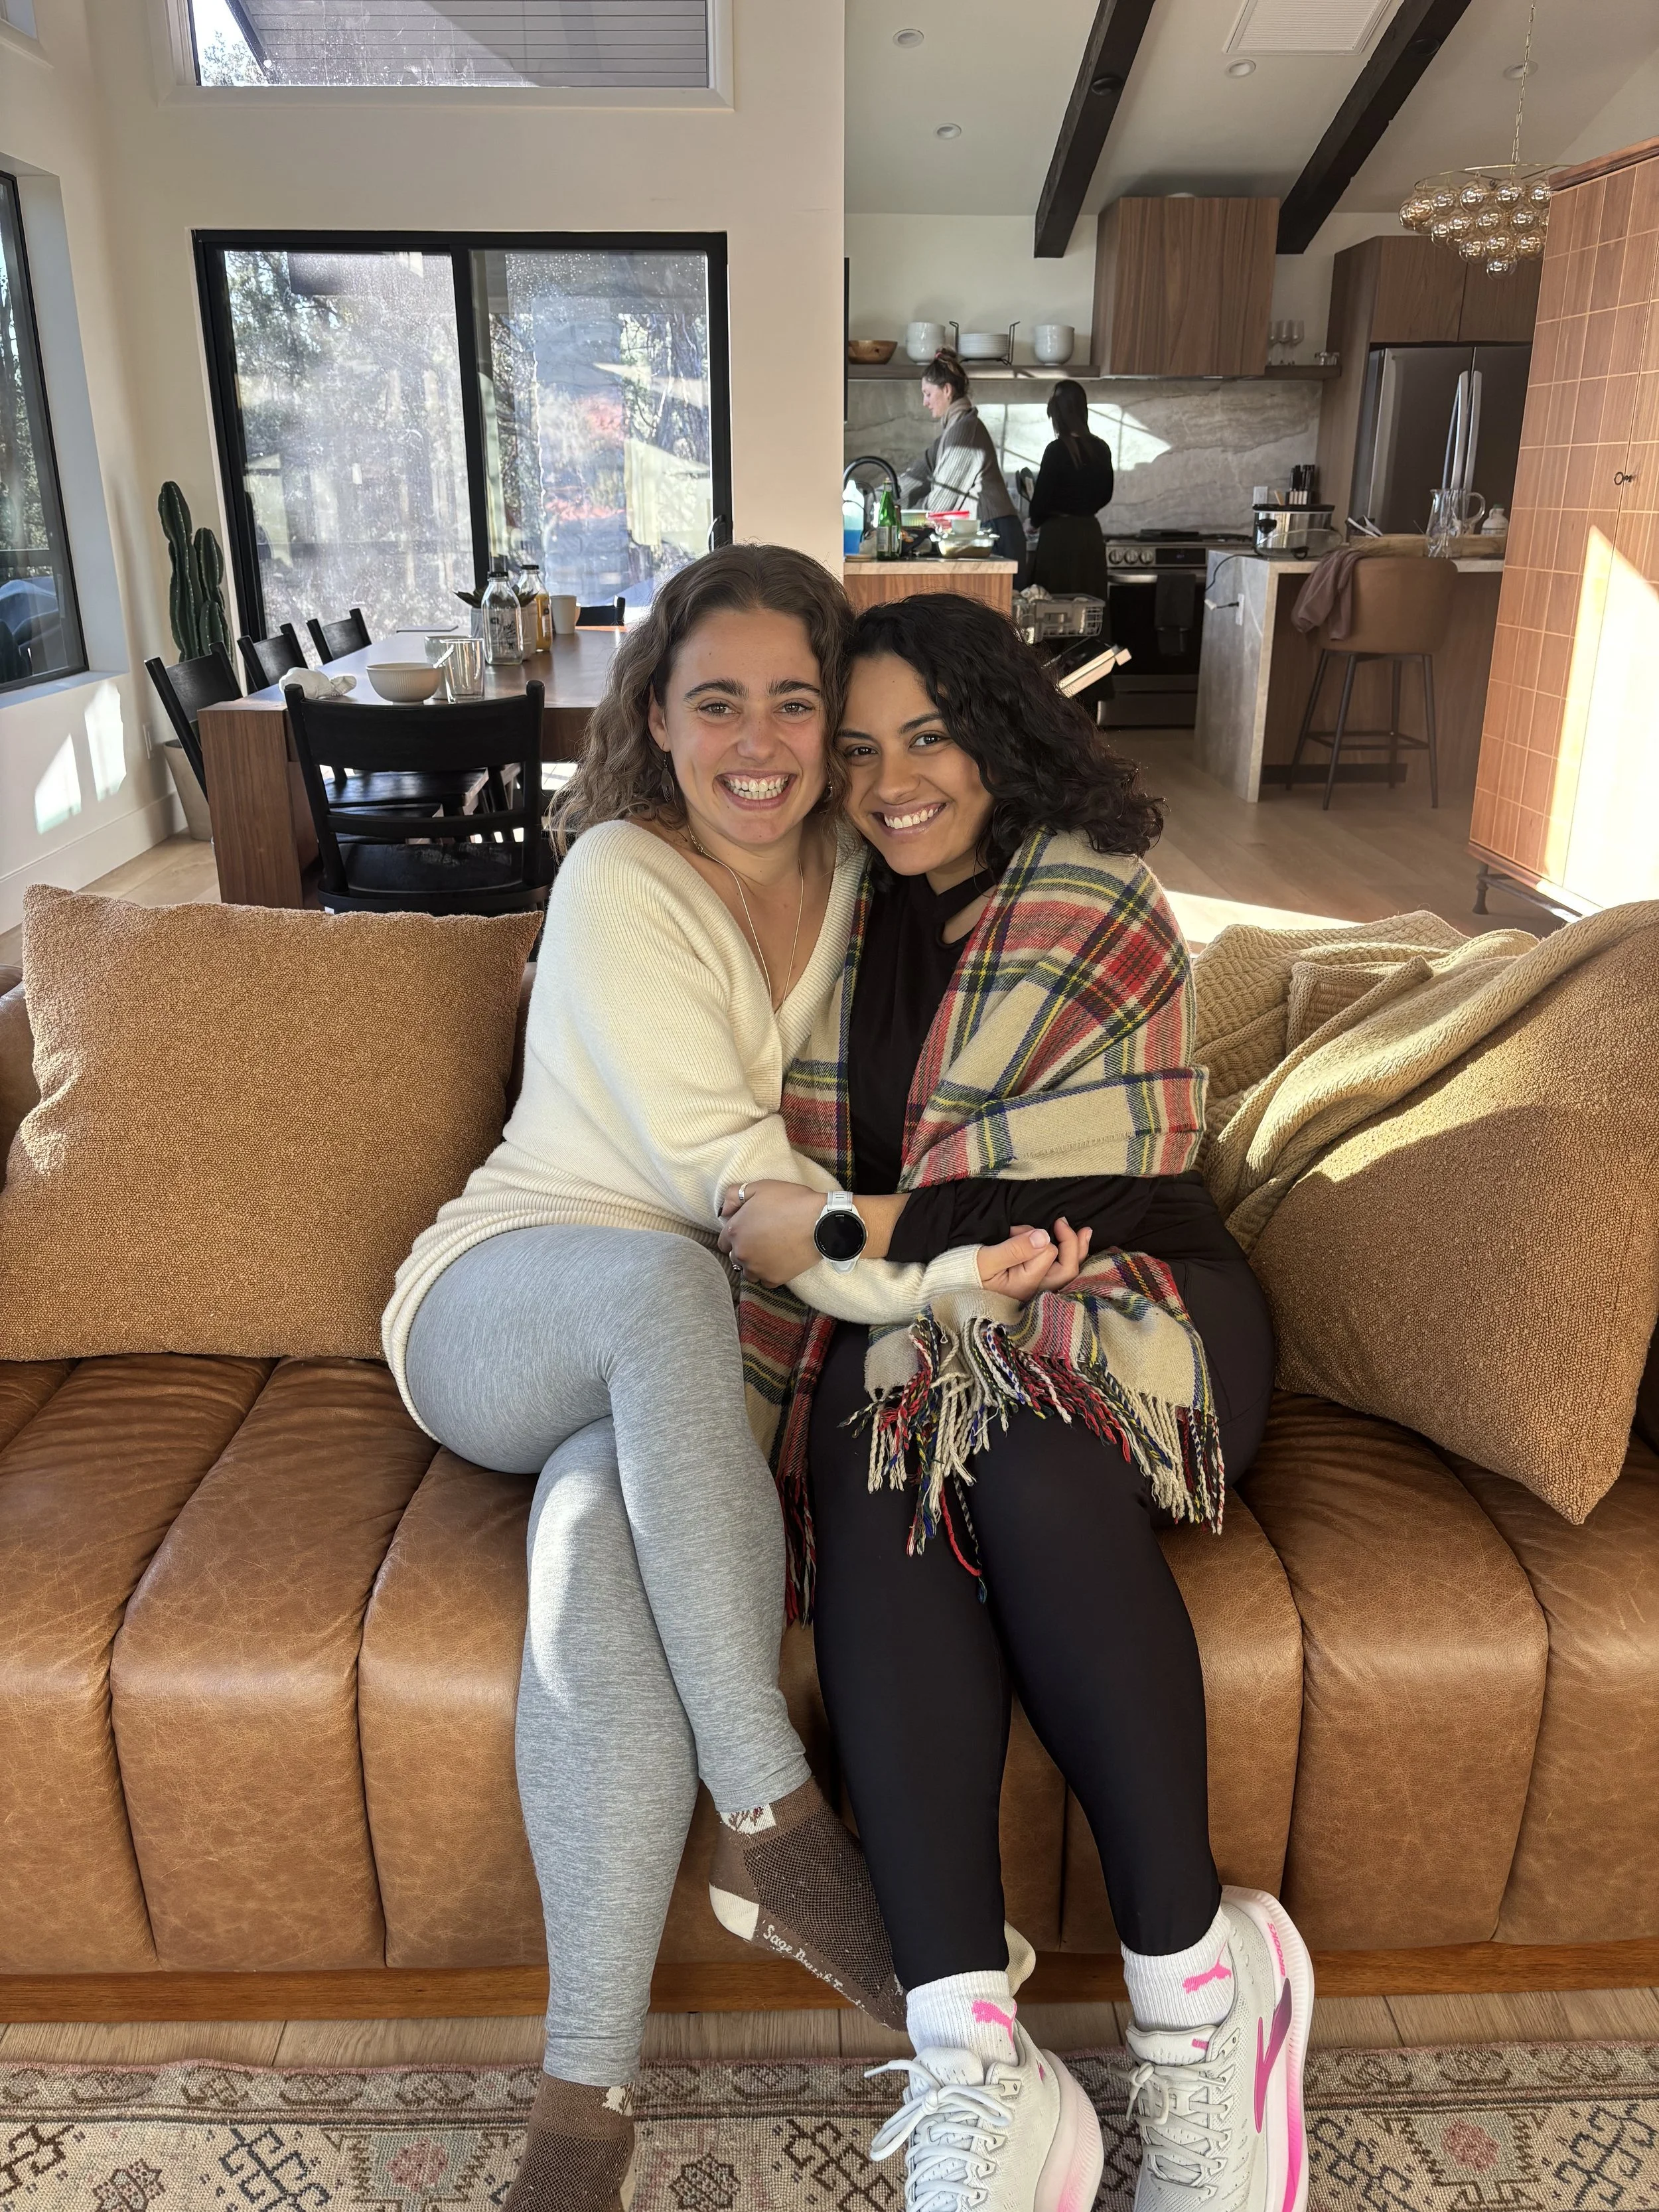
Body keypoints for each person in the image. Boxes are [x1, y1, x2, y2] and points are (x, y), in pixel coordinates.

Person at [381, 548, 1046, 2212]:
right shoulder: (623, 869)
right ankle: (778, 1819)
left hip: (671, 1370)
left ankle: (579, 2112)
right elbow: (738, 1186)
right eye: (717, 702)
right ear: (659, 720)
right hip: (503, 1301)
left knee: (592, 1554)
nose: (759, 741)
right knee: (668, 1278)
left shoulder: (854, 868)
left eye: (795, 703)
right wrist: (943, 1272)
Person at [721, 593, 1307, 2212]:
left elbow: (1071, 1193)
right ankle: (974, 2053)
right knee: (874, 1431)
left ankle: (1201, 2001)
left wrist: (850, 1225)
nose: (892, 781)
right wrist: (877, 1244)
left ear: (1000, 730)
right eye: (856, 751)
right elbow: (777, 1181)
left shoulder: (1091, 890)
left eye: (929, 736)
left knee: (1029, 1464)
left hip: (1142, 1289)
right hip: (927, 1310)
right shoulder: (830, 920)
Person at [901, 348, 1026, 578]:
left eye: (928, 394)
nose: (925, 402)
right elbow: (915, 477)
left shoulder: (965, 432)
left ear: (947, 390)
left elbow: (939, 505)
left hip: (996, 534)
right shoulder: (953, 431)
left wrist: (900, 522)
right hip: (985, 533)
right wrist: (875, 499)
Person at [1025, 378, 1114, 599]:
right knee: (1091, 606)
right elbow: (1106, 495)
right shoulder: (1101, 448)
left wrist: (1033, 523)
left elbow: (1042, 500)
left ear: (1058, 415)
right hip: (1090, 537)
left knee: (1055, 607)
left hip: (1058, 540)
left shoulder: (1055, 451)